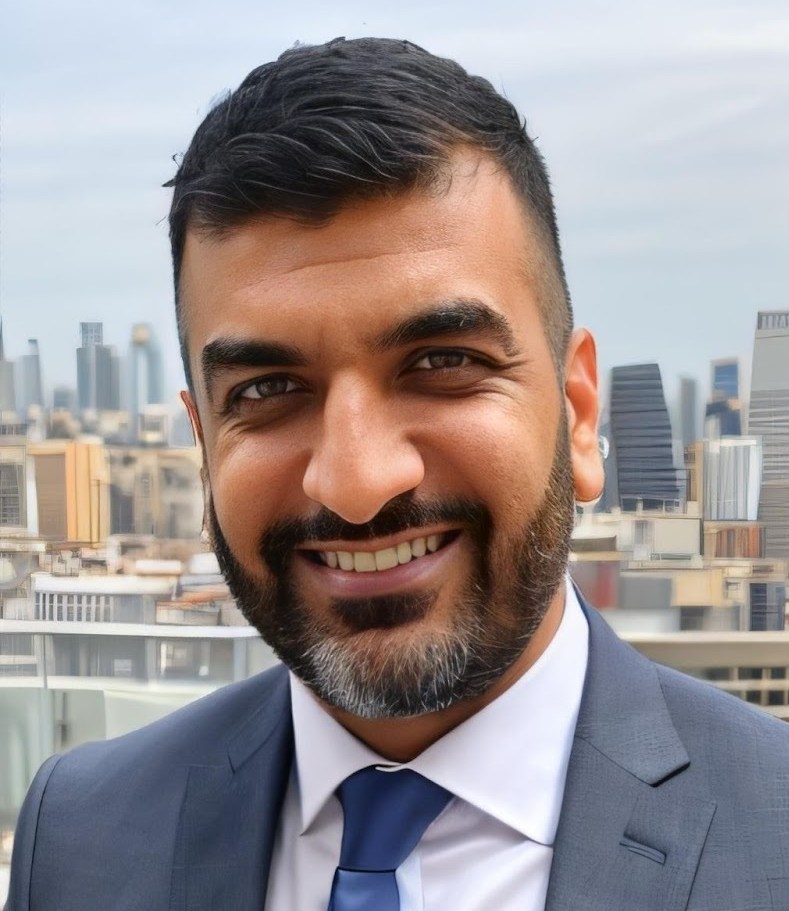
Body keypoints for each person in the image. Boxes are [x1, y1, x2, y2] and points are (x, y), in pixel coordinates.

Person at [7, 37, 789, 911]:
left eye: (442, 360)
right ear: (202, 444)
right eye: (267, 389)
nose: (355, 481)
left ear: (575, 412)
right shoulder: (78, 837)